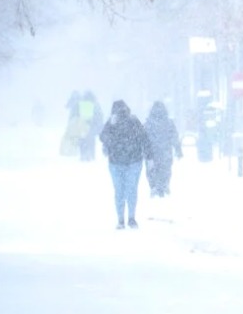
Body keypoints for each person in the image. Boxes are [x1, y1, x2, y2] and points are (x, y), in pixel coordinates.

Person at [98, 100, 152, 229]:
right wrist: (149, 157)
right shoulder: (134, 121)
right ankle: (131, 218)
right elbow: (145, 138)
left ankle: (121, 220)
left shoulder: (112, 122)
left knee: (119, 191)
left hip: (116, 162)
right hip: (134, 161)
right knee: (131, 189)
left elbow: (102, 137)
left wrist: (110, 125)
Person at [144, 101, 181, 197]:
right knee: (166, 168)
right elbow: (174, 137)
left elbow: (143, 138)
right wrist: (178, 149)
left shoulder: (148, 123)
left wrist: (142, 150)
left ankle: (153, 186)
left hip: (151, 152)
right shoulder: (168, 122)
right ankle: (165, 183)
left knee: (151, 169)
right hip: (165, 151)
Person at [78, 91, 104, 162]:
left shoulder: (82, 104)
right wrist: (99, 127)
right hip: (92, 126)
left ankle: (83, 154)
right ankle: (91, 154)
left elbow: (78, 116)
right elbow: (100, 115)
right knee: (91, 140)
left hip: (83, 126)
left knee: (83, 140)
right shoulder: (95, 104)